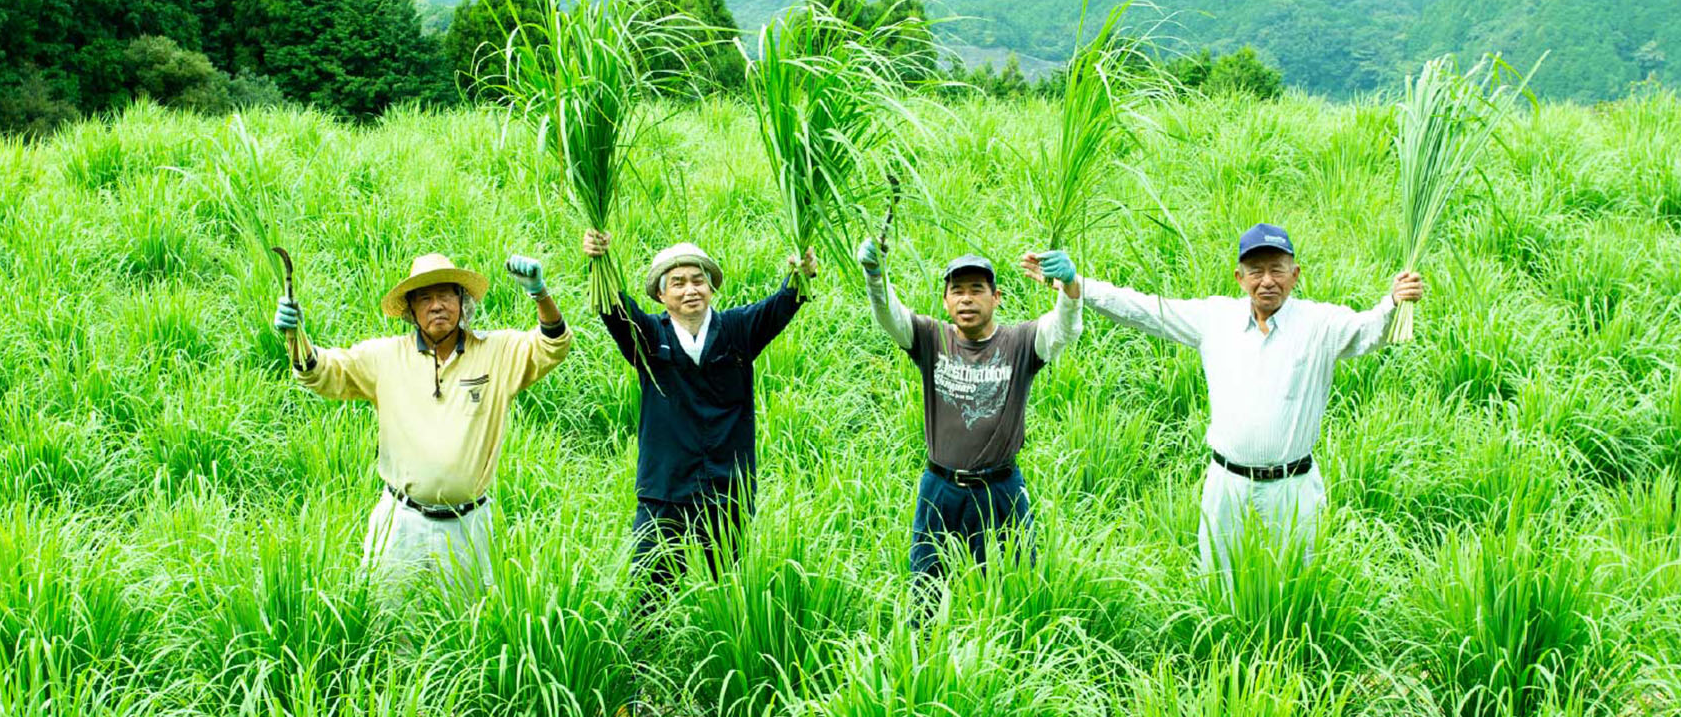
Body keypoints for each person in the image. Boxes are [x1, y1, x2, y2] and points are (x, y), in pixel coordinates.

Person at [1079, 223, 1424, 573]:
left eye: (1277, 270)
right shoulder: (1215, 319)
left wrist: (1394, 302)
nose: (1267, 281)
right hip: (1227, 486)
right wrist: (1078, 284)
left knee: (1296, 586)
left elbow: (1370, 331)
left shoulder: (1320, 325)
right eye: (1256, 271)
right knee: (1220, 584)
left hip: (1292, 489)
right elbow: (1144, 309)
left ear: (1295, 275)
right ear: (1240, 278)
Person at [273, 252, 570, 607]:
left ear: (462, 301)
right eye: (425, 298)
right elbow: (323, 372)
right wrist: (295, 336)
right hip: (401, 522)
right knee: (386, 619)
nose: (437, 306)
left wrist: (540, 294)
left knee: (466, 624)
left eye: (445, 295)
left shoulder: (496, 352)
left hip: (468, 524)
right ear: (411, 310)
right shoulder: (384, 357)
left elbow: (552, 346)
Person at [581, 230, 816, 606]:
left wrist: (800, 274)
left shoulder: (737, 330)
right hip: (665, 489)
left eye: (698, 280)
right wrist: (599, 259)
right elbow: (614, 310)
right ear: (661, 295)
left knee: (730, 593)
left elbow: (781, 305)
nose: (690, 290)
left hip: (727, 488)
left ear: (710, 288)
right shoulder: (649, 337)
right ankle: (647, 645)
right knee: (649, 595)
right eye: (678, 283)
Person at [858, 239, 1082, 615]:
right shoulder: (932, 338)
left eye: (976, 290)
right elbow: (889, 315)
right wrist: (874, 274)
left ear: (996, 298)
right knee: (926, 595)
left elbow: (1063, 330)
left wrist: (1071, 288)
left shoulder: (1020, 342)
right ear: (946, 301)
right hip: (940, 488)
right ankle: (925, 650)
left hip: (1000, 490)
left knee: (1013, 596)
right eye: (957, 290)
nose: (966, 299)